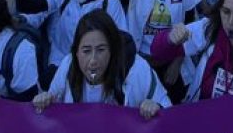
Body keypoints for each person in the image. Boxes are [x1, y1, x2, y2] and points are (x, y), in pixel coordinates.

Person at [15, 0, 128, 82]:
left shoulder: (109, 2)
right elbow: (30, 5)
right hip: (60, 61)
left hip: (93, 65)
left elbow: (122, 39)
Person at [32, 9, 169, 118]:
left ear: (112, 50)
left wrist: (155, 107)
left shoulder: (137, 70)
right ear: (76, 52)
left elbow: (168, 111)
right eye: (86, 51)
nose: (93, 60)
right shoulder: (68, 66)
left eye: (101, 50)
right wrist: (45, 101)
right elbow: (52, 111)